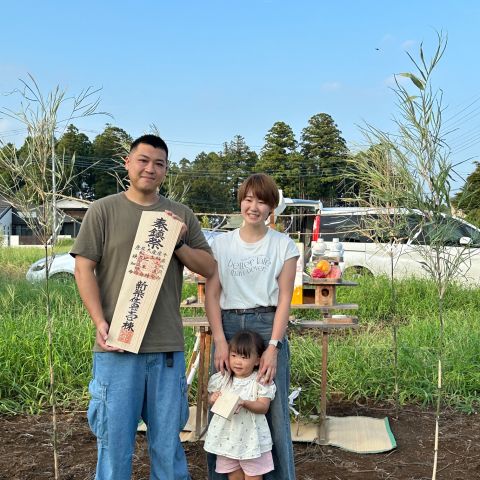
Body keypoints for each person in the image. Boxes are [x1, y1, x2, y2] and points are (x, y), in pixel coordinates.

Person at [71, 134, 215, 480]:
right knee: (114, 445)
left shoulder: (180, 215)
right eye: (143, 160)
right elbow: (83, 268)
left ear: (166, 171)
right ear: (128, 163)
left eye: (159, 163)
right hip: (116, 346)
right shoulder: (103, 210)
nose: (150, 168)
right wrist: (99, 321)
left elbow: (208, 268)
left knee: (167, 446)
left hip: (165, 348)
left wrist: (177, 240)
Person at [205, 173, 299, 480]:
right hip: (228, 326)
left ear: (272, 206)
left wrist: (274, 346)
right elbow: (213, 293)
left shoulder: (284, 245)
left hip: (266, 324)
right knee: (222, 405)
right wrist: (220, 340)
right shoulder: (221, 244)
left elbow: (285, 297)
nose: (253, 206)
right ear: (240, 202)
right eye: (248, 199)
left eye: (261, 200)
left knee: (272, 409)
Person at [205, 330, 276, 480]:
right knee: (233, 475)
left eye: (244, 357)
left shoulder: (259, 381)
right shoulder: (222, 379)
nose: (238, 361)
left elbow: (263, 407)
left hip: (251, 439)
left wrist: (245, 403)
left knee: (253, 475)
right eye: (234, 356)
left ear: (257, 360)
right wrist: (213, 398)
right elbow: (210, 399)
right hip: (227, 438)